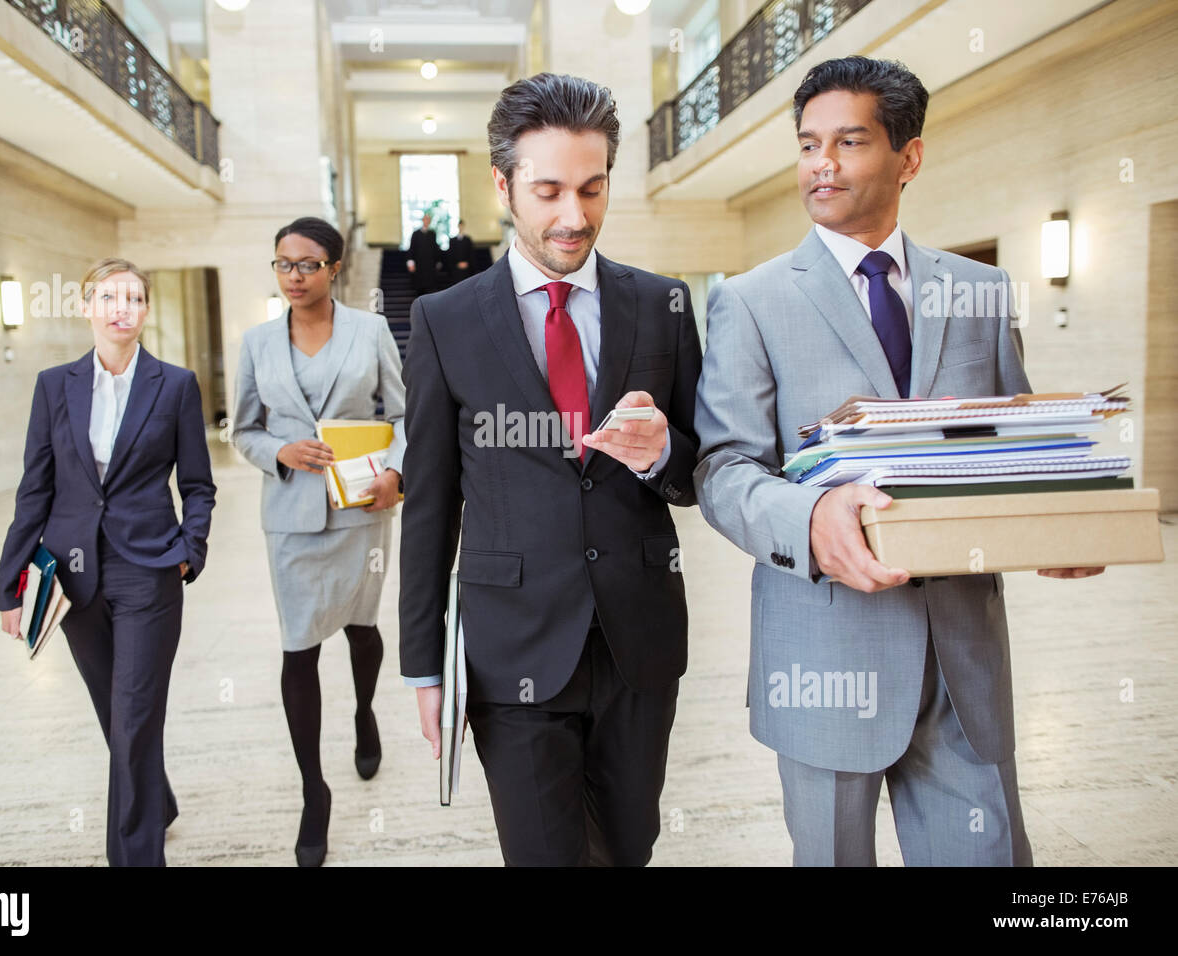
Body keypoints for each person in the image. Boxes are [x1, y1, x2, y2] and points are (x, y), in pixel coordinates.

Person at [693, 55, 1104, 867]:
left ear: (908, 157)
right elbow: (724, 469)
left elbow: (1009, 447)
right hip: (824, 662)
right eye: (809, 144)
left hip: (964, 665)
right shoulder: (751, 299)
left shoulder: (981, 290)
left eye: (848, 142)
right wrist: (810, 517)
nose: (822, 164)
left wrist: (1059, 523)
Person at [399, 73, 702, 866]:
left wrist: (667, 452)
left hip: (638, 640)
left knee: (628, 848)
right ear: (503, 185)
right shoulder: (445, 320)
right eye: (550, 191)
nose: (575, 217)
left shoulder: (662, 305)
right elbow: (430, 503)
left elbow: (700, 469)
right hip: (513, 647)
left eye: (594, 189)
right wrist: (424, 664)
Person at [0, 257, 215, 867]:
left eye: (134, 298)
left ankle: (136, 857)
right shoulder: (53, 385)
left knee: (136, 715)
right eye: (108, 297)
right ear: (86, 306)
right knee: (115, 713)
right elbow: (34, 488)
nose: (122, 308)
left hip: (150, 571)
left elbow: (198, 483)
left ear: (146, 310)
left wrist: (187, 551)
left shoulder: (173, 385)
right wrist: (9, 585)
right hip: (73, 575)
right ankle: (158, 800)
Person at [232, 216, 405, 867]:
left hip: (361, 509)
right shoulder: (256, 343)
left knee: (362, 626)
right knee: (298, 647)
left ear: (335, 268)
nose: (294, 276)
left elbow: (403, 412)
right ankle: (314, 789)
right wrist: (281, 449)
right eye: (282, 263)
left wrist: (397, 471)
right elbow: (243, 429)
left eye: (307, 264)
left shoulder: (371, 330)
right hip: (291, 520)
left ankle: (364, 711)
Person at [406, 213, 442, 295]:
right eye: (425, 219)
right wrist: (410, 263)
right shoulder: (416, 234)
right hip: (419, 266)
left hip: (430, 266)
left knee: (431, 289)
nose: (426, 221)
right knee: (419, 288)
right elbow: (411, 249)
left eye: (428, 219)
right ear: (422, 220)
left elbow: (435, 249)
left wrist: (438, 261)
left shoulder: (432, 234)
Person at [446, 218, 475, 284]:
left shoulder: (468, 240)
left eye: (462, 225)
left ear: (464, 226)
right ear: (458, 226)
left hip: (466, 268)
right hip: (456, 269)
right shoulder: (452, 241)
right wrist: (457, 264)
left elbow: (471, 254)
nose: (461, 227)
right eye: (460, 225)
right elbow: (450, 255)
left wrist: (467, 263)